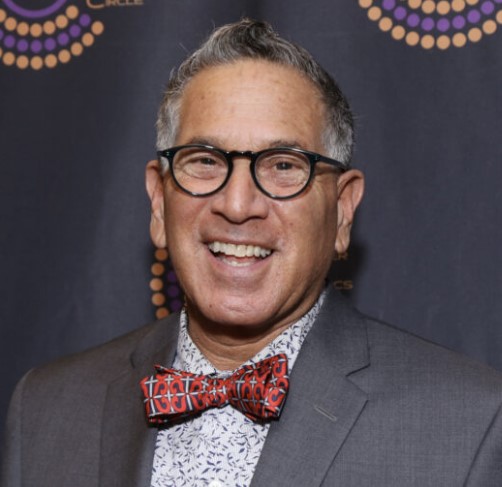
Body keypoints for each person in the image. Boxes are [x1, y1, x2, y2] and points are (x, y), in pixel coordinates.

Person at [2, 18, 502, 487]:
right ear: (158, 201)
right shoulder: (44, 409)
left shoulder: (470, 422)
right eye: (205, 160)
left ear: (342, 211)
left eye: (284, 165)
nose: (238, 205)